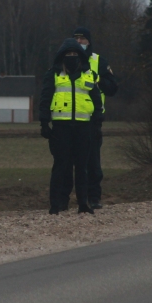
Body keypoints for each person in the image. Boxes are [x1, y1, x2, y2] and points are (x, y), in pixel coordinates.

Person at [39, 39, 104, 214]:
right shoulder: (53, 75)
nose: (72, 57)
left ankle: (83, 204)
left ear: (80, 56)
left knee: (82, 167)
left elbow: (97, 101)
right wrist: (44, 123)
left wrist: (97, 124)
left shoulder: (89, 75)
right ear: (62, 56)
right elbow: (45, 98)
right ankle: (56, 204)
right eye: (68, 54)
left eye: (75, 54)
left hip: (84, 128)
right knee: (60, 166)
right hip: (61, 128)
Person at [73, 26, 118, 210]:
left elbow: (113, 88)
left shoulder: (98, 61)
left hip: (92, 118)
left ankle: (94, 197)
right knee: (69, 161)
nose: (79, 42)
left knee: (92, 162)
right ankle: (71, 198)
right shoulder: (66, 60)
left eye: (82, 38)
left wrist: (97, 79)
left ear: (89, 41)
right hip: (70, 118)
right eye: (76, 38)